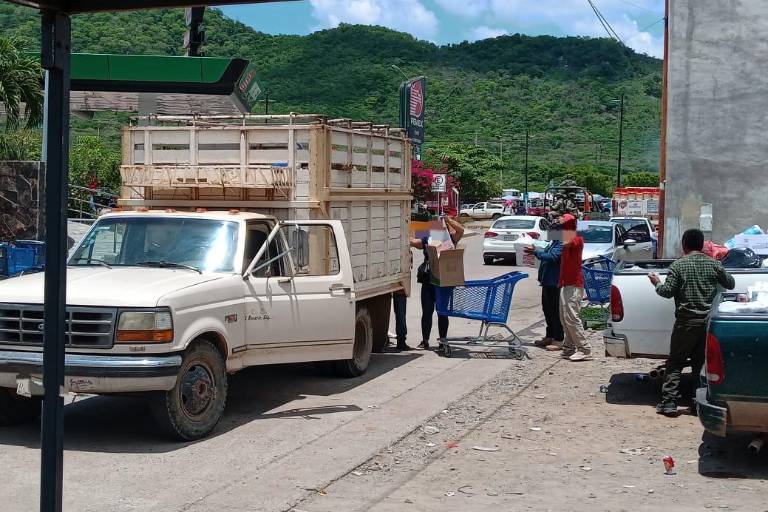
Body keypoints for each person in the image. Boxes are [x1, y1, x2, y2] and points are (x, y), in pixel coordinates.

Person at [648, 229, 735, 416]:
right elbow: (730, 283)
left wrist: (656, 282)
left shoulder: (678, 266)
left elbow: (666, 291)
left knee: (675, 362)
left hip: (685, 323)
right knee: (700, 364)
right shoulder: (714, 264)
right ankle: (697, 404)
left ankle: (669, 403)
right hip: (707, 323)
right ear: (702, 245)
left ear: (684, 245)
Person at [410, 217, 465, 350]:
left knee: (442, 311)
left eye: (440, 227)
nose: (438, 229)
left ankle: (443, 341)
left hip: (444, 281)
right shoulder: (427, 238)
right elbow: (414, 242)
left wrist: (447, 220)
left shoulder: (450, 239)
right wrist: (408, 230)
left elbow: (461, 230)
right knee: (427, 311)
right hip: (428, 280)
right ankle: (425, 340)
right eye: (436, 227)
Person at [558, 214, 592, 361]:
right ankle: (568, 347)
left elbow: (567, 241)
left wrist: (565, 223)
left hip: (574, 284)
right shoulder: (567, 236)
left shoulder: (577, 239)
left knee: (572, 316)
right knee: (564, 317)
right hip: (565, 283)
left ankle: (584, 348)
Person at [527, 228, 564, 350]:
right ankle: (550, 335)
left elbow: (553, 257)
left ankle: (558, 339)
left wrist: (536, 252)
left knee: (555, 312)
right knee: (547, 310)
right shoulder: (554, 241)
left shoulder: (562, 242)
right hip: (547, 281)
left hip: (554, 282)